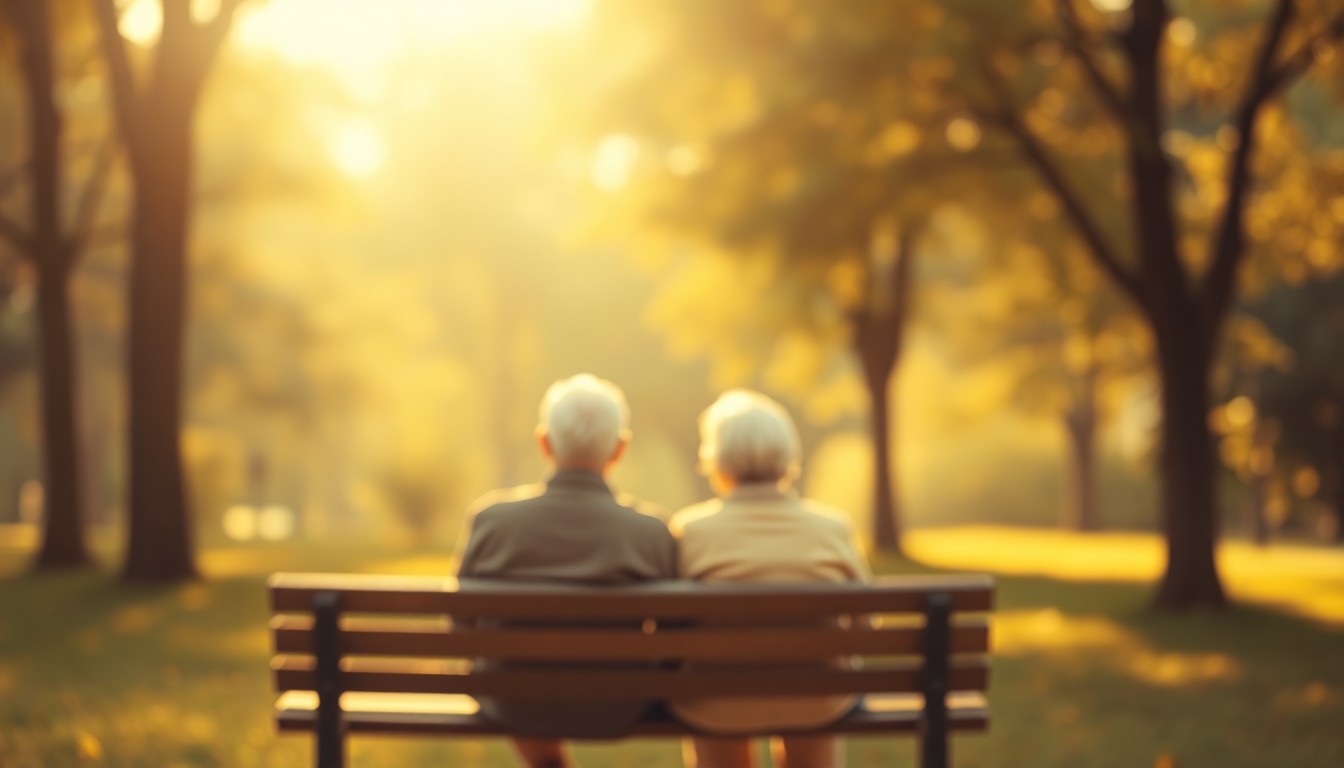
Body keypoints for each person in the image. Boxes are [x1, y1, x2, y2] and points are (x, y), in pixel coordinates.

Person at [455, 373, 678, 768]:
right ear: (619, 448)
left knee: (520, 682)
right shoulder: (651, 533)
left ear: (544, 442)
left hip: (513, 702)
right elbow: (672, 635)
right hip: (618, 704)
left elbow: (461, 627)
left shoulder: (491, 522)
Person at [669, 390, 869, 768]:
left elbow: (673, 631)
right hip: (816, 699)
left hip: (716, 701)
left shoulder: (689, 531)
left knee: (710, 699)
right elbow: (864, 627)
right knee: (819, 693)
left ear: (717, 461)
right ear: (787, 457)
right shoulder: (832, 529)